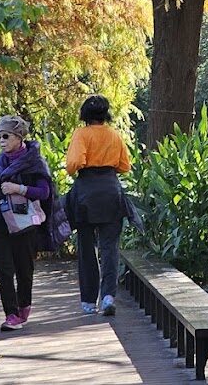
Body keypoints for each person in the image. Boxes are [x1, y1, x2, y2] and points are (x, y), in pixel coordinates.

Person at [0, 114, 55, 332]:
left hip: (24, 223)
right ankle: (10, 314)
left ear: (19, 137)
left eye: (6, 136)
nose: (1, 141)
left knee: (24, 268)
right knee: (4, 270)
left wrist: (18, 189)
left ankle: (24, 306)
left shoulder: (35, 163)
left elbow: (44, 192)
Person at [65, 94, 132, 317]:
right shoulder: (114, 135)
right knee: (110, 248)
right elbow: (125, 166)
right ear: (106, 114)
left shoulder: (81, 134)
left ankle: (87, 301)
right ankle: (108, 296)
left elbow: (74, 164)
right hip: (112, 192)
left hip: (86, 193)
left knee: (86, 249)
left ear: (85, 114)